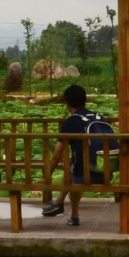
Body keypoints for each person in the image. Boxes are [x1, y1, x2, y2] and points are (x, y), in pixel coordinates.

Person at [41, 83, 108, 225]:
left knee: (75, 169)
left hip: (86, 175)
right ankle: (60, 204)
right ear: (85, 100)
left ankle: (73, 213)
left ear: (67, 102)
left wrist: (46, 177)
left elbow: (56, 156)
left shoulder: (72, 121)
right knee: (74, 164)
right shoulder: (98, 116)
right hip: (107, 171)